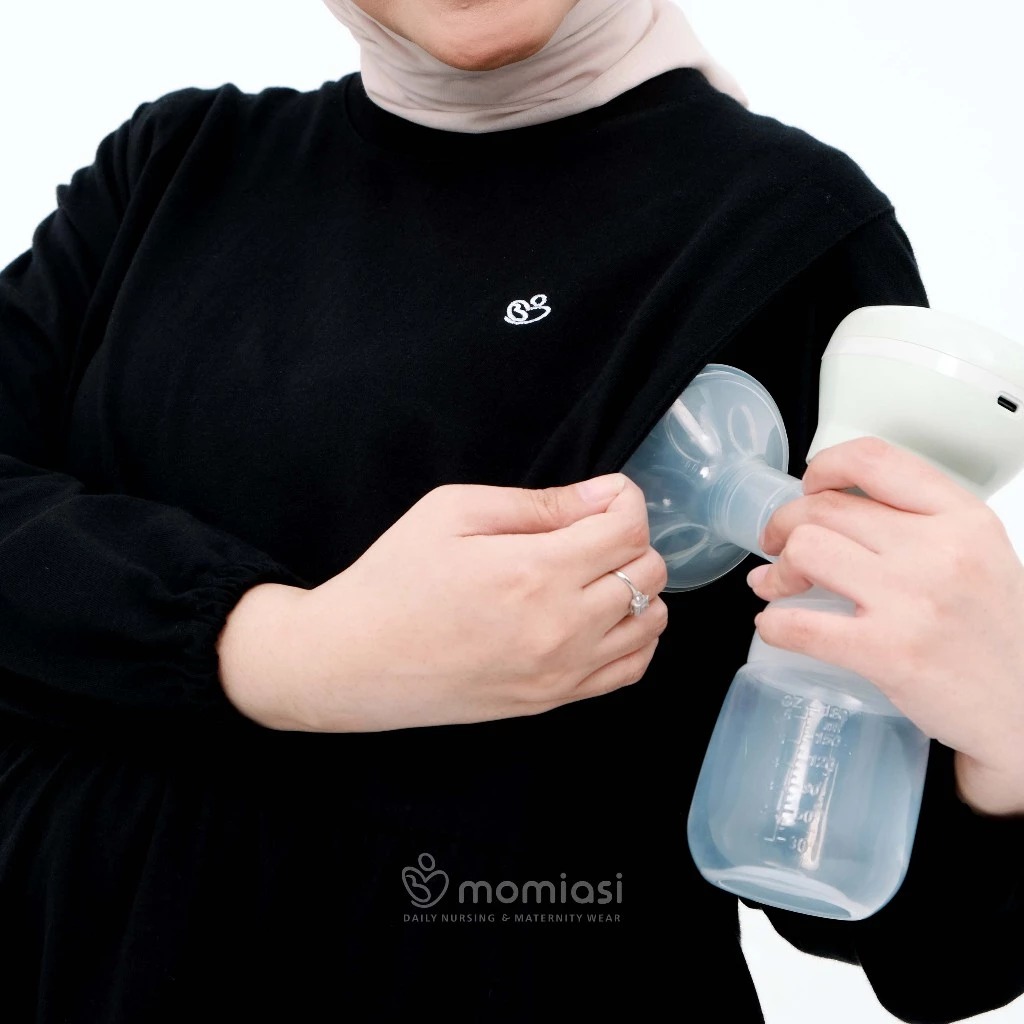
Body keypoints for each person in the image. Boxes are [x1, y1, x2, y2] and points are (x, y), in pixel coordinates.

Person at [0, 1, 1021, 1021]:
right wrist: (278, 651)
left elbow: (926, 943)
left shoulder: (781, 229)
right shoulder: (178, 164)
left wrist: (1004, 735)